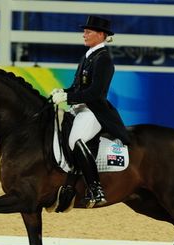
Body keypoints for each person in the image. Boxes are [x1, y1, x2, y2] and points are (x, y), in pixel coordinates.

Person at [50, 15, 129, 208]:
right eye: (84, 31)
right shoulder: (87, 56)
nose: (84, 34)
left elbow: (95, 93)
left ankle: (96, 189)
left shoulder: (104, 60)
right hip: (79, 109)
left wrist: (68, 97)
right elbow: (77, 87)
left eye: (88, 31)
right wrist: (63, 92)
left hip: (94, 111)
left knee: (75, 140)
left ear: (101, 35)